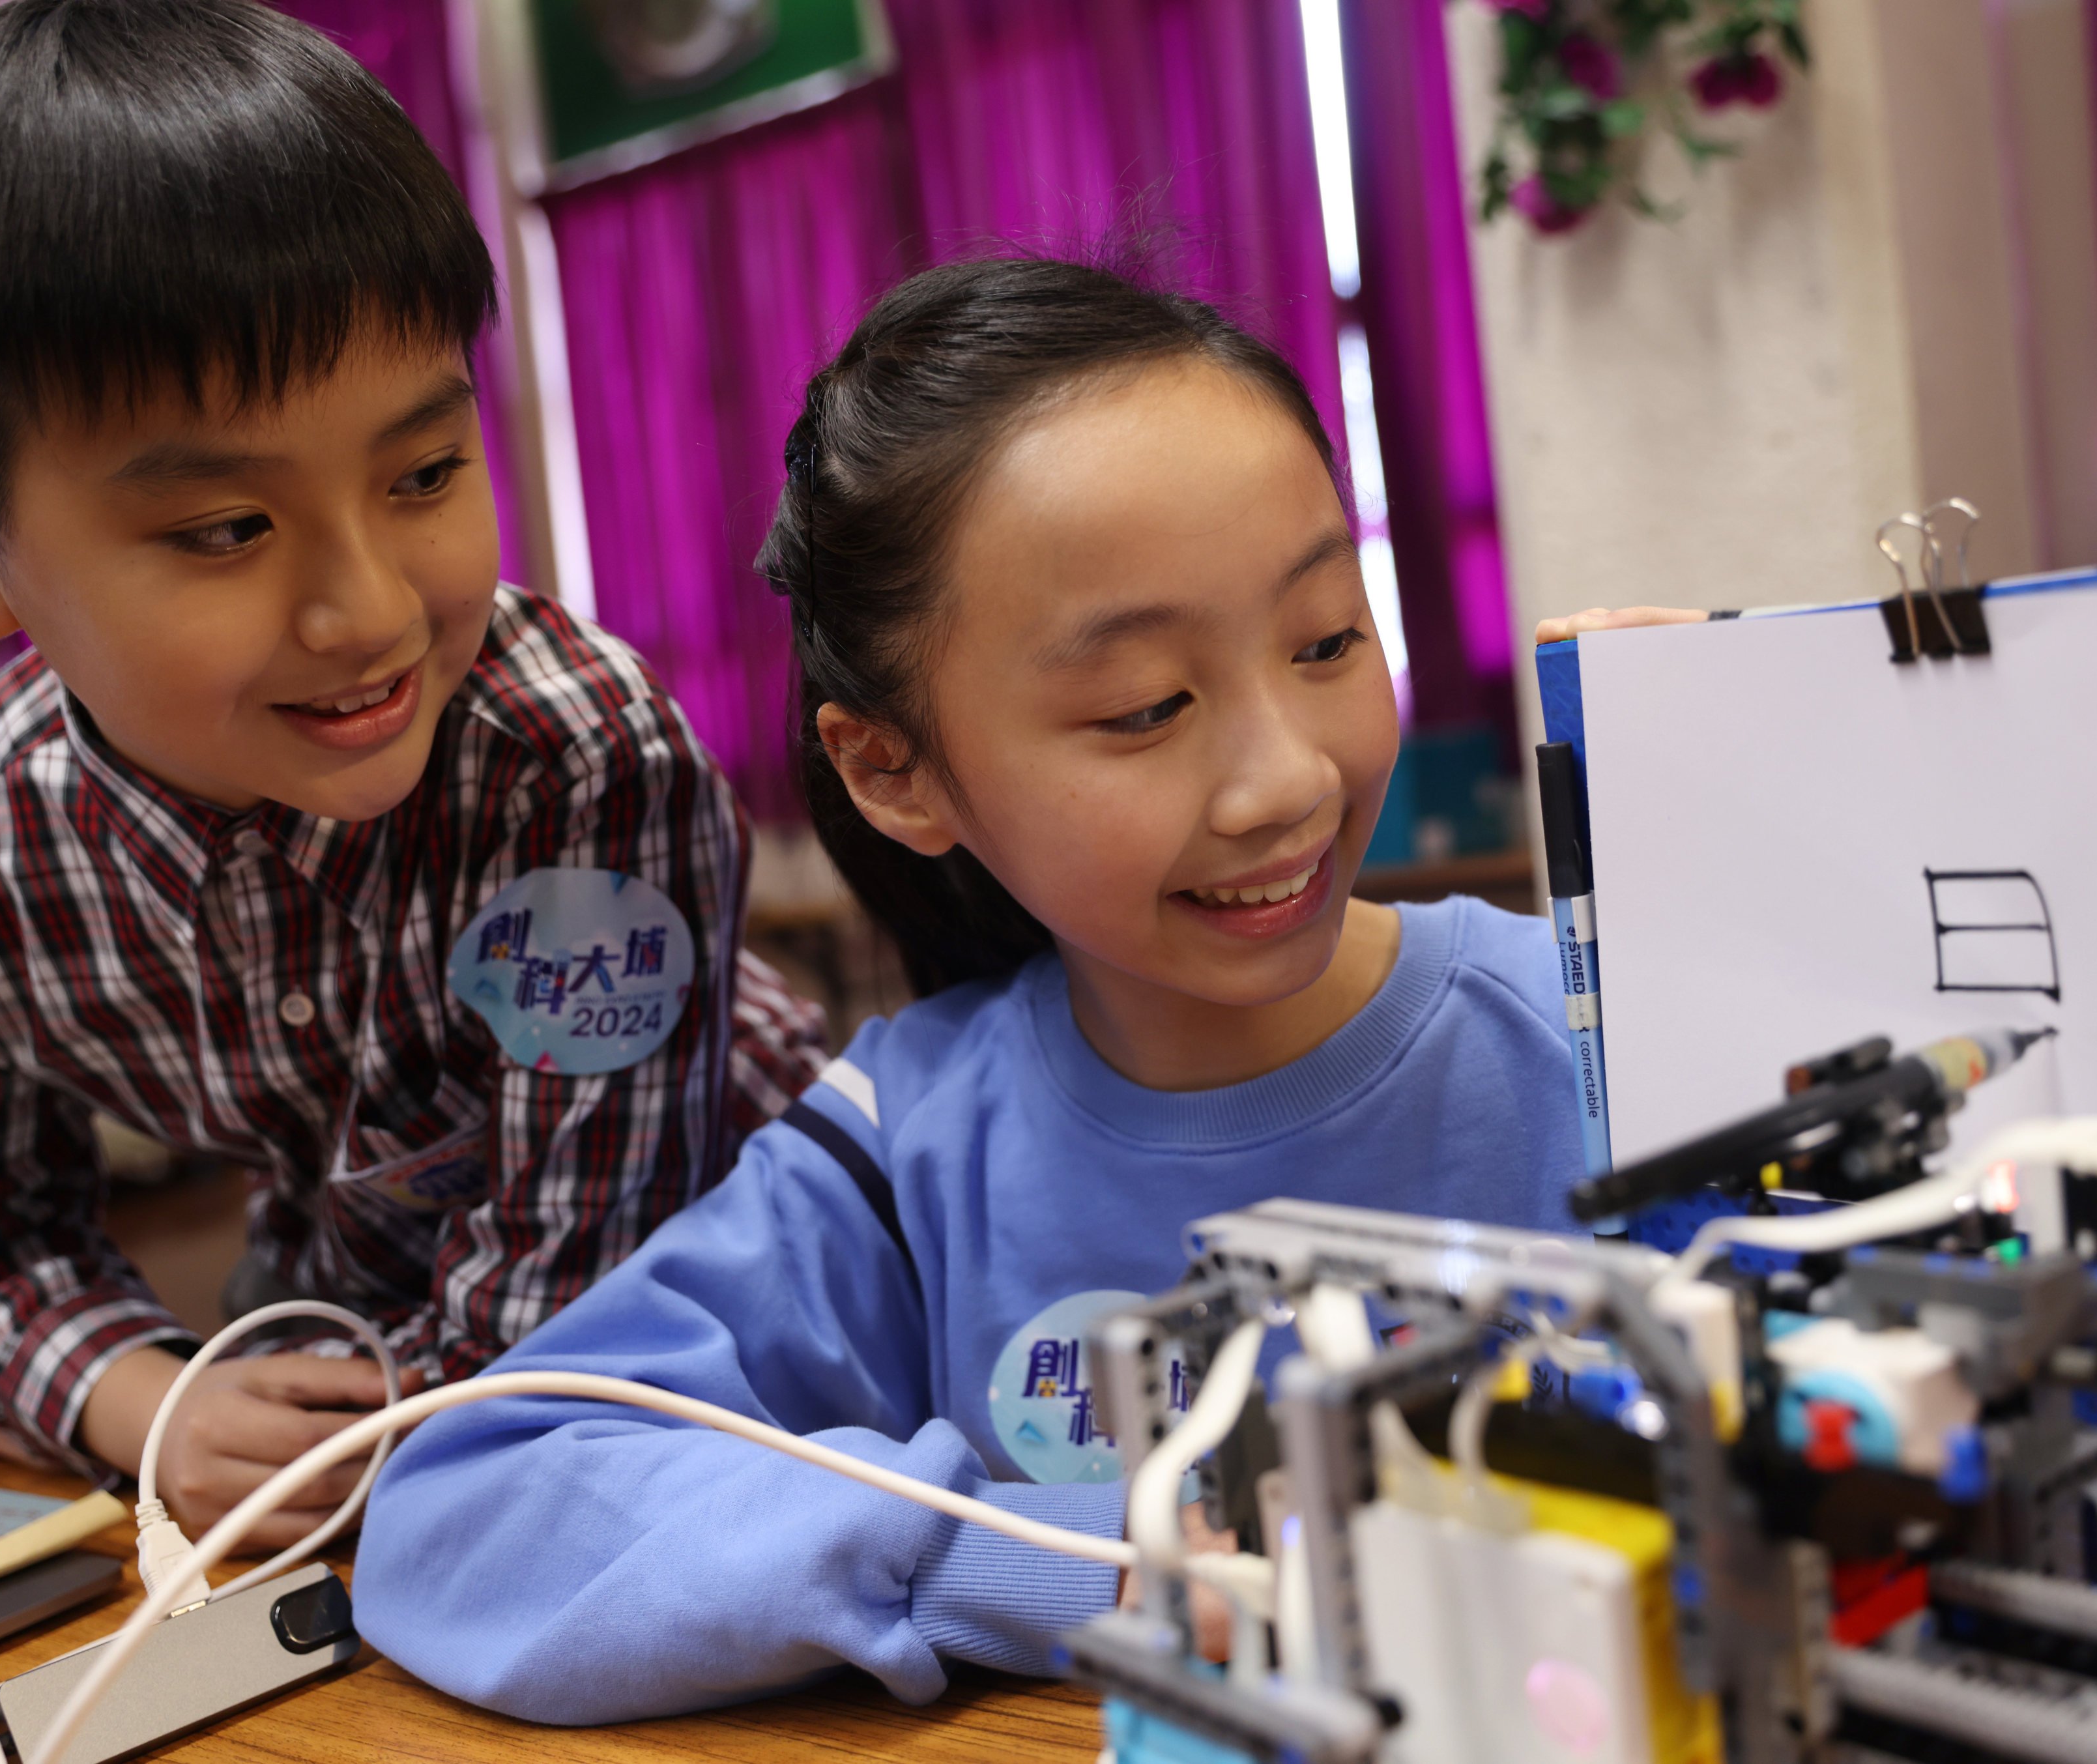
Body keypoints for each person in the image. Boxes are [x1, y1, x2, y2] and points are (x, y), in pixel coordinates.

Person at [352, 257, 1600, 1723]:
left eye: (1326, 638)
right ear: (895, 768)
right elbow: (472, 1505)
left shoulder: (1595, 1025)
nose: (1287, 780)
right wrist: (1063, 1561)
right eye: (1144, 707)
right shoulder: (903, 1146)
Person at [0, 0, 823, 1542]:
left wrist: (338, 1470)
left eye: (422, 476)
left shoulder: (574, 760)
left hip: (746, 1282)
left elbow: (580, 1276)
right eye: (226, 529)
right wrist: (146, 1403)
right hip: (349, 1315)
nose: (370, 613)